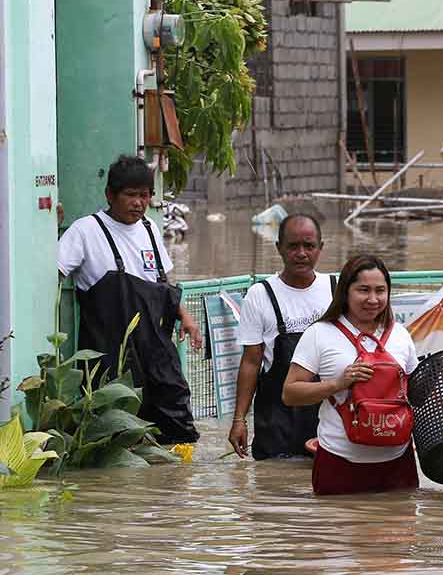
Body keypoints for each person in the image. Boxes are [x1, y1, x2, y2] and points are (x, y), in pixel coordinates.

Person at [283, 255, 443, 496]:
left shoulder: (400, 334)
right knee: (335, 533)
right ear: (345, 292)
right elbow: (290, 393)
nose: (373, 299)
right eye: (363, 290)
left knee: (400, 531)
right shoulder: (320, 333)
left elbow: (416, 395)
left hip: (397, 463)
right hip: (339, 461)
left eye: (380, 290)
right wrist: (338, 383)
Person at [57, 155, 201, 444]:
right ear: (110, 195)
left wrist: (186, 317)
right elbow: (51, 276)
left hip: (157, 353)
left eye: (145, 196)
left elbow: (163, 284)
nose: (138, 202)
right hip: (111, 356)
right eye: (131, 195)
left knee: (177, 433)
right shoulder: (86, 231)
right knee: (116, 437)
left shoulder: (150, 229)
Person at [228, 214, 336, 460]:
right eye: (293, 246)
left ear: (321, 248)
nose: (301, 253)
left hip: (328, 417)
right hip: (277, 419)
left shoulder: (336, 289)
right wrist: (239, 419)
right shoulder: (260, 295)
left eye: (309, 246)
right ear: (279, 248)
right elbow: (251, 362)